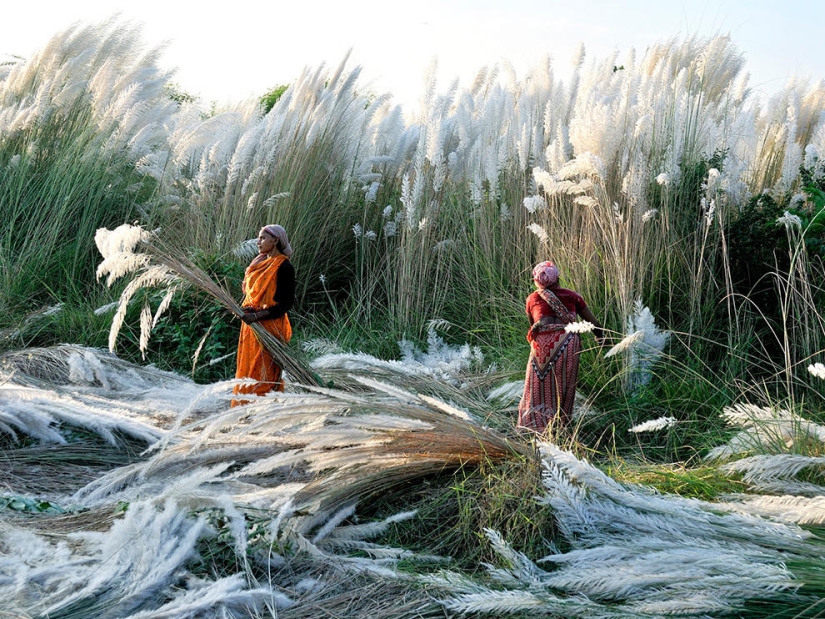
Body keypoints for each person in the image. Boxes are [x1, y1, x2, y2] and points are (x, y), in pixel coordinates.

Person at [517, 261, 603, 433]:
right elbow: (591, 321)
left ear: (536, 280)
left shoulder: (532, 299)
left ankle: (534, 424)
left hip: (541, 346)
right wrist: (601, 337)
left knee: (535, 385)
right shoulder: (573, 296)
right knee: (564, 384)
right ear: (558, 278)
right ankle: (560, 425)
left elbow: (534, 325)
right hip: (567, 342)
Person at [232, 224, 295, 405]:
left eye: (262, 238)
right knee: (247, 371)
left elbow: (285, 304)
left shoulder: (284, 267)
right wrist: (246, 311)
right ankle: (242, 411)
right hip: (252, 329)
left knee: (263, 375)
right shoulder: (258, 264)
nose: (258, 242)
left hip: (271, 329)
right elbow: (251, 297)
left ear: (275, 240)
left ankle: (260, 413)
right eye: (258, 238)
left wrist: (257, 316)